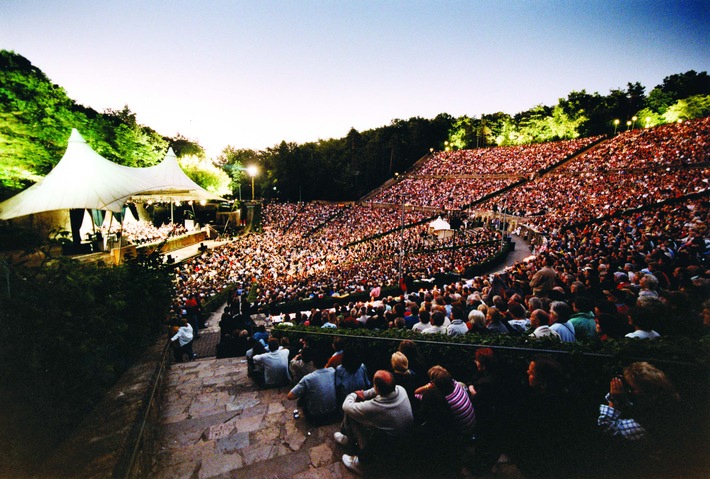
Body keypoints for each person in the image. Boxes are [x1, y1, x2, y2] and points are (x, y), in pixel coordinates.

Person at [335, 370, 414, 474]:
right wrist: (364, 394)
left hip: (383, 446)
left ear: (377, 387)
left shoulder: (376, 407)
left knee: (351, 412)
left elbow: (346, 406)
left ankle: (360, 463)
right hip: (402, 438)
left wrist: (354, 394)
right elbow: (375, 391)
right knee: (358, 411)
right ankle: (349, 437)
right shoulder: (400, 389)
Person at [287, 348, 338, 424]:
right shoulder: (332, 371)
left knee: (302, 399)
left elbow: (290, 396)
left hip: (315, 416)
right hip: (333, 411)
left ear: (313, 363)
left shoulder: (308, 378)